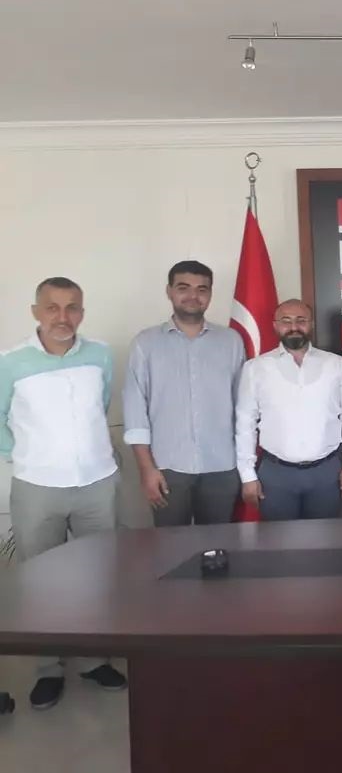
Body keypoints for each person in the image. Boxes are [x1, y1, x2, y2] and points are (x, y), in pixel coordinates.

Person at [0, 277, 126, 709]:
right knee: (41, 583)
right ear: (35, 312)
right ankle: (49, 667)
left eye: (72, 307)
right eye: (52, 307)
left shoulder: (100, 355)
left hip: (97, 483)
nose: (63, 317)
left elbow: (101, 405)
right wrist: (24, 454)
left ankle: (94, 659)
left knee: (98, 578)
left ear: (82, 312)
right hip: (37, 487)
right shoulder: (10, 362)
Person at [122, 261, 246, 526]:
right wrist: (146, 469)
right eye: (183, 288)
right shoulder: (146, 343)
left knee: (218, 545)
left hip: (222, 467)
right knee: (170, 545)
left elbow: (243, 407)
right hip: (167, 467)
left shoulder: (231, 341)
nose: (193, 296)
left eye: (202, 289)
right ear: (169, 291)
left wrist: (245, 467)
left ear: (210, 294)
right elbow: (135, 411)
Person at [235, 299, 342, 520]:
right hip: (275, 475)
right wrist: (247, 476)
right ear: (275, 325)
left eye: (301, 320)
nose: (294, 327)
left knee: (326, 538)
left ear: (311, 324)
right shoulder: (255, 368)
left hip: (326, 473)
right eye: (286, 321)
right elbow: (245, 424)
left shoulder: (337, 365)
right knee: (279, 540)